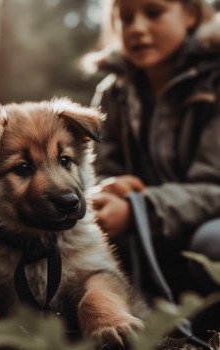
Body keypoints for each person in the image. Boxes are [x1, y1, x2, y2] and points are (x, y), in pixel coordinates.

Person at [84, 0, 220, 304]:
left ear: (190, 14)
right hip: (146, 242)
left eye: (154, 12)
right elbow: (96, 169)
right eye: (126, 18)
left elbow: (215, 188)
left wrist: (139, 210)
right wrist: (108, 190)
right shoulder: (113, 92)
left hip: (204, 231)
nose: (137, 28)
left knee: (213, 243)